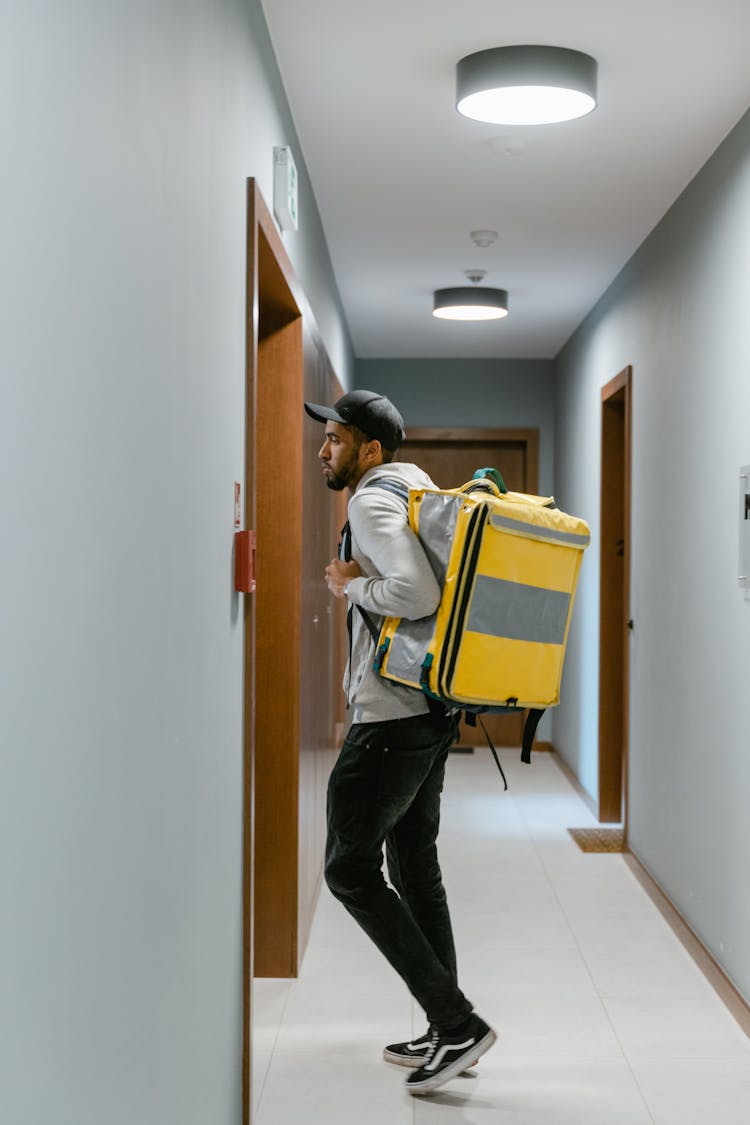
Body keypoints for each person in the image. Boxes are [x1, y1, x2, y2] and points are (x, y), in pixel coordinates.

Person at [304, 389, 496, 1096]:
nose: (324, 450)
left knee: (349, 868)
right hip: (430, 708)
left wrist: (349, 587)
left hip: (391, 716)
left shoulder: (370, 502)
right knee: (413, 862)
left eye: (335, 440)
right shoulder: (415, 489)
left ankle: (457, 1020)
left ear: (371, 450)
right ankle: (442, 1026)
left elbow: (415, 593)